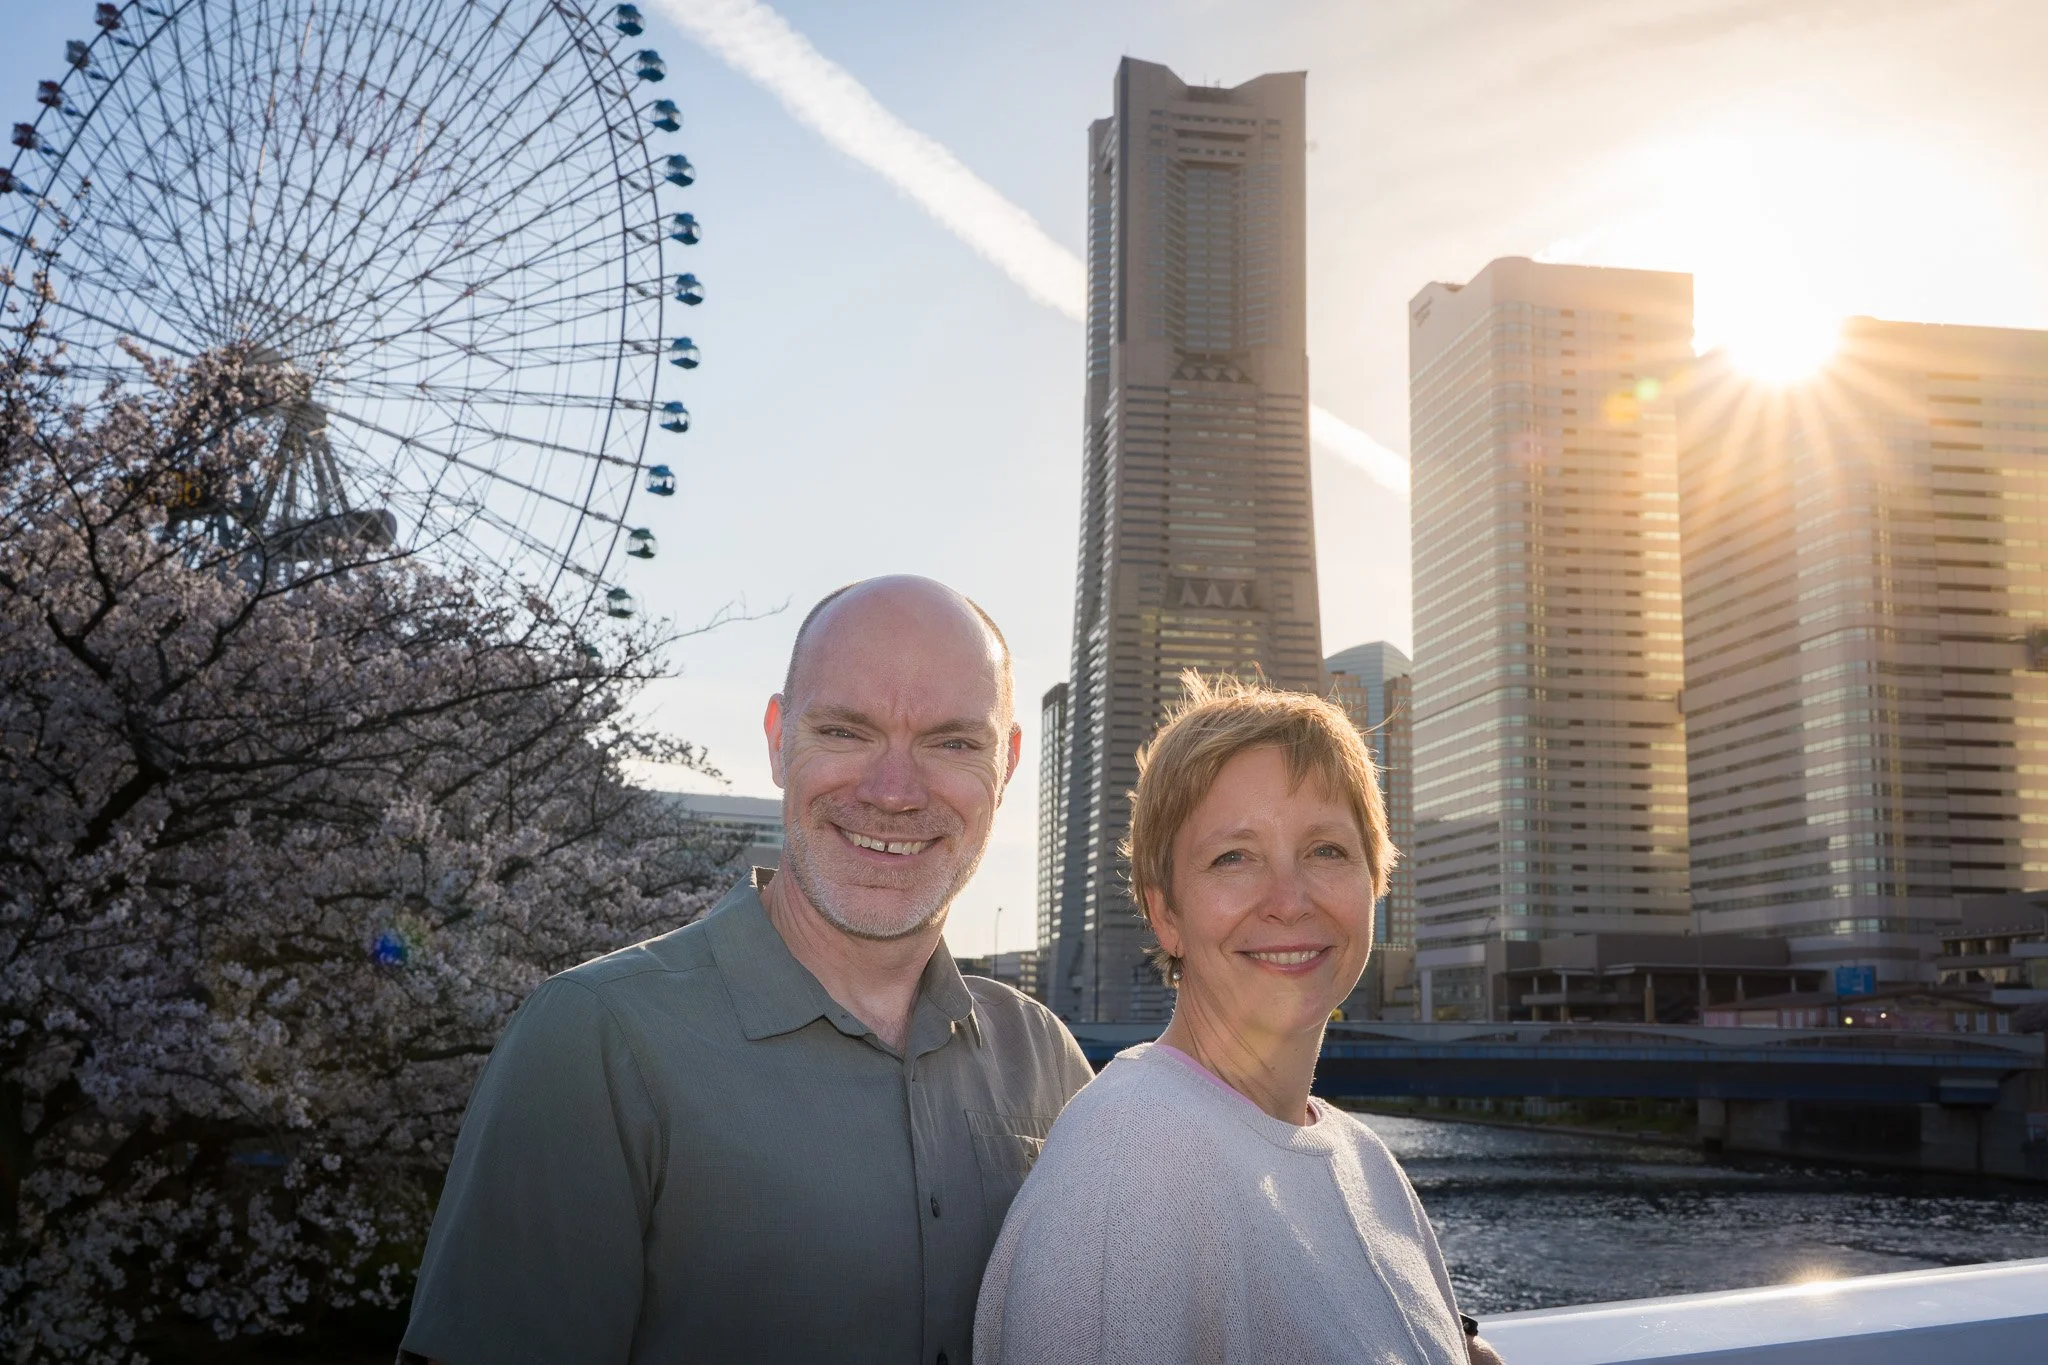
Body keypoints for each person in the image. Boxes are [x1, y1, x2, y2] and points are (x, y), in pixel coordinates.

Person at [400, 576, 1093, 1365]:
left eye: (952, 741)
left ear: (1005, 763)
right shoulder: (595, 1041)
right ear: (776, 738)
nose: (894, 792)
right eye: (845, 731)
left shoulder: (1045, 1058)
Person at [975, 672, 1500, 1365]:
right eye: (1234, 857)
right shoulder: (1131, 1168)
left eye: (1327, 850)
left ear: (1376, 880)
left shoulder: (1363, 1160)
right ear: (1166, 913)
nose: (1289, 898)